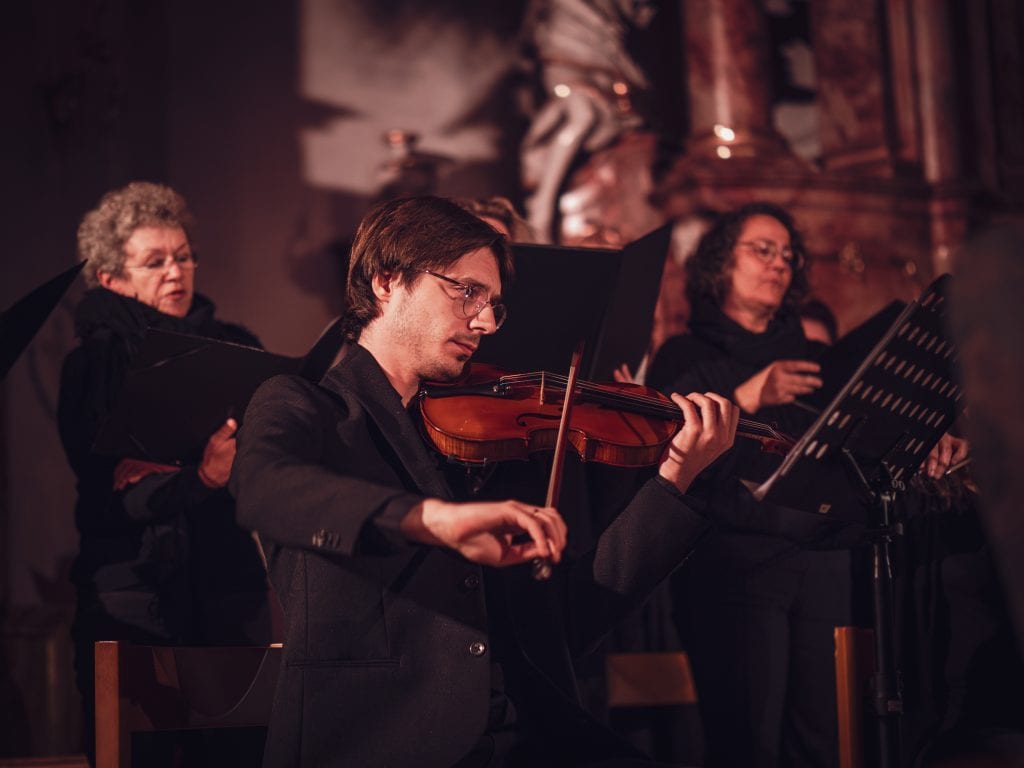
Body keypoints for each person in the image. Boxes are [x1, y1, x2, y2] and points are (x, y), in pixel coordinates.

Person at [230, 195, 739, 767]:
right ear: (387, 281)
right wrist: (433, 520)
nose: (486, 322)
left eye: (495, 304)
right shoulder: (305, 405)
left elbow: (566, 620)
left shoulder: (483, 439)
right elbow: (263, 487)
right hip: (382, 744)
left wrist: (675, 480)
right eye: (466, 292)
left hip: (522, 741)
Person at [57, 182, 272, 763]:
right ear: (111, 278)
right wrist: (199, 476)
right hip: (135, 595)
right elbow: (113, 488)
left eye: (182, 256)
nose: (175, 272)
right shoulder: (97, 363)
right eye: (154, 262)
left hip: (228, 589)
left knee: (239, 748)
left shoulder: (234, 347)